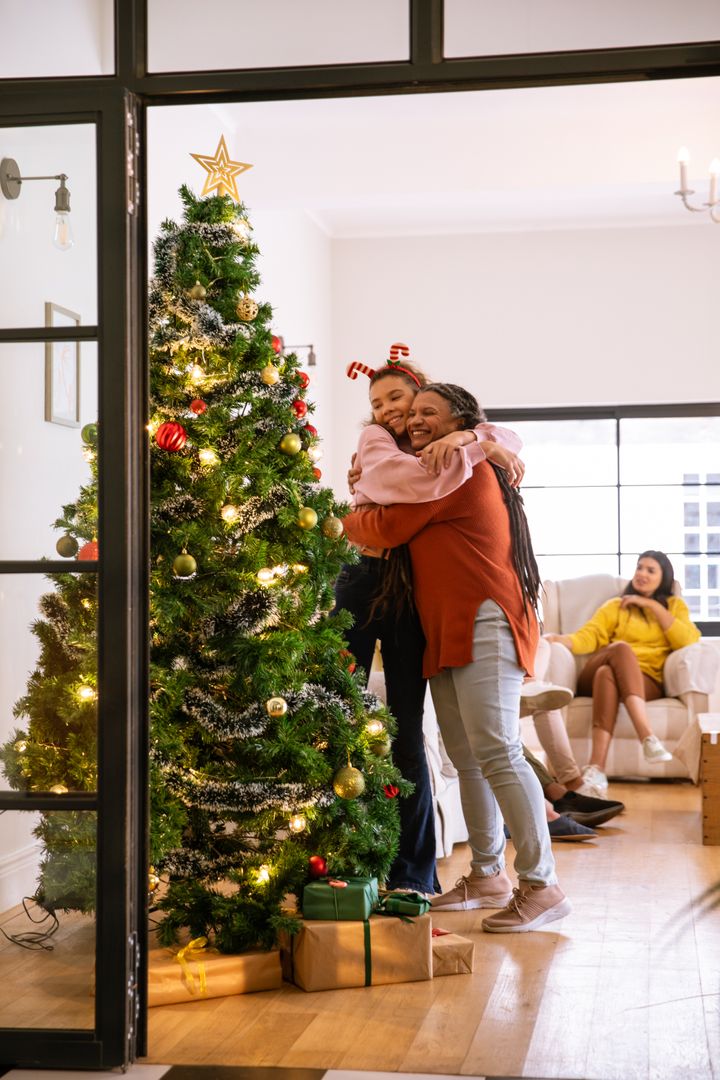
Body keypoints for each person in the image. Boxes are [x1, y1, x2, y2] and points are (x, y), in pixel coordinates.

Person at [343, 383, 571, 933]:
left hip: (485, 617)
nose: (415, 420)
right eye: (411, 412)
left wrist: (345, 519)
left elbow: (388, 526)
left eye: (429, 413)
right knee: (468, 755)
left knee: (497, 749)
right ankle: (489, 874)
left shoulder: (458, 469)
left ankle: (542, 885)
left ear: (460, 421)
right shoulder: (445, 460)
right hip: (445, 625)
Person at [335, 354, 525, 896]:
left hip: (408, 591)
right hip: (363, 575)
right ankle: (343, 857)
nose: (391, 411)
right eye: (378, 404)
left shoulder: (439, 444)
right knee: (338, 707)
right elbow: (409, 493)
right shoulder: (377, 443)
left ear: (421, 402)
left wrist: (477, 443)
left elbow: (504, 433)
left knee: (406, 728)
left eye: (400, 400)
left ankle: (414, 873)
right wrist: (471, 450)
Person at [544, 550, 701, 796]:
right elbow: (589, 636)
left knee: (606, 675)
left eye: (650, 570)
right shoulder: (616, 606)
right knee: (618, 651)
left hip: (645, 680)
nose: (642, 574)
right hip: (594, 670)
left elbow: (687, 641)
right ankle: (647, 736)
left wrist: (650, 605)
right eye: (639, 567)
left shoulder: (674, 607)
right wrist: (560, 639)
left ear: (664, 578)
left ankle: (596, 768)